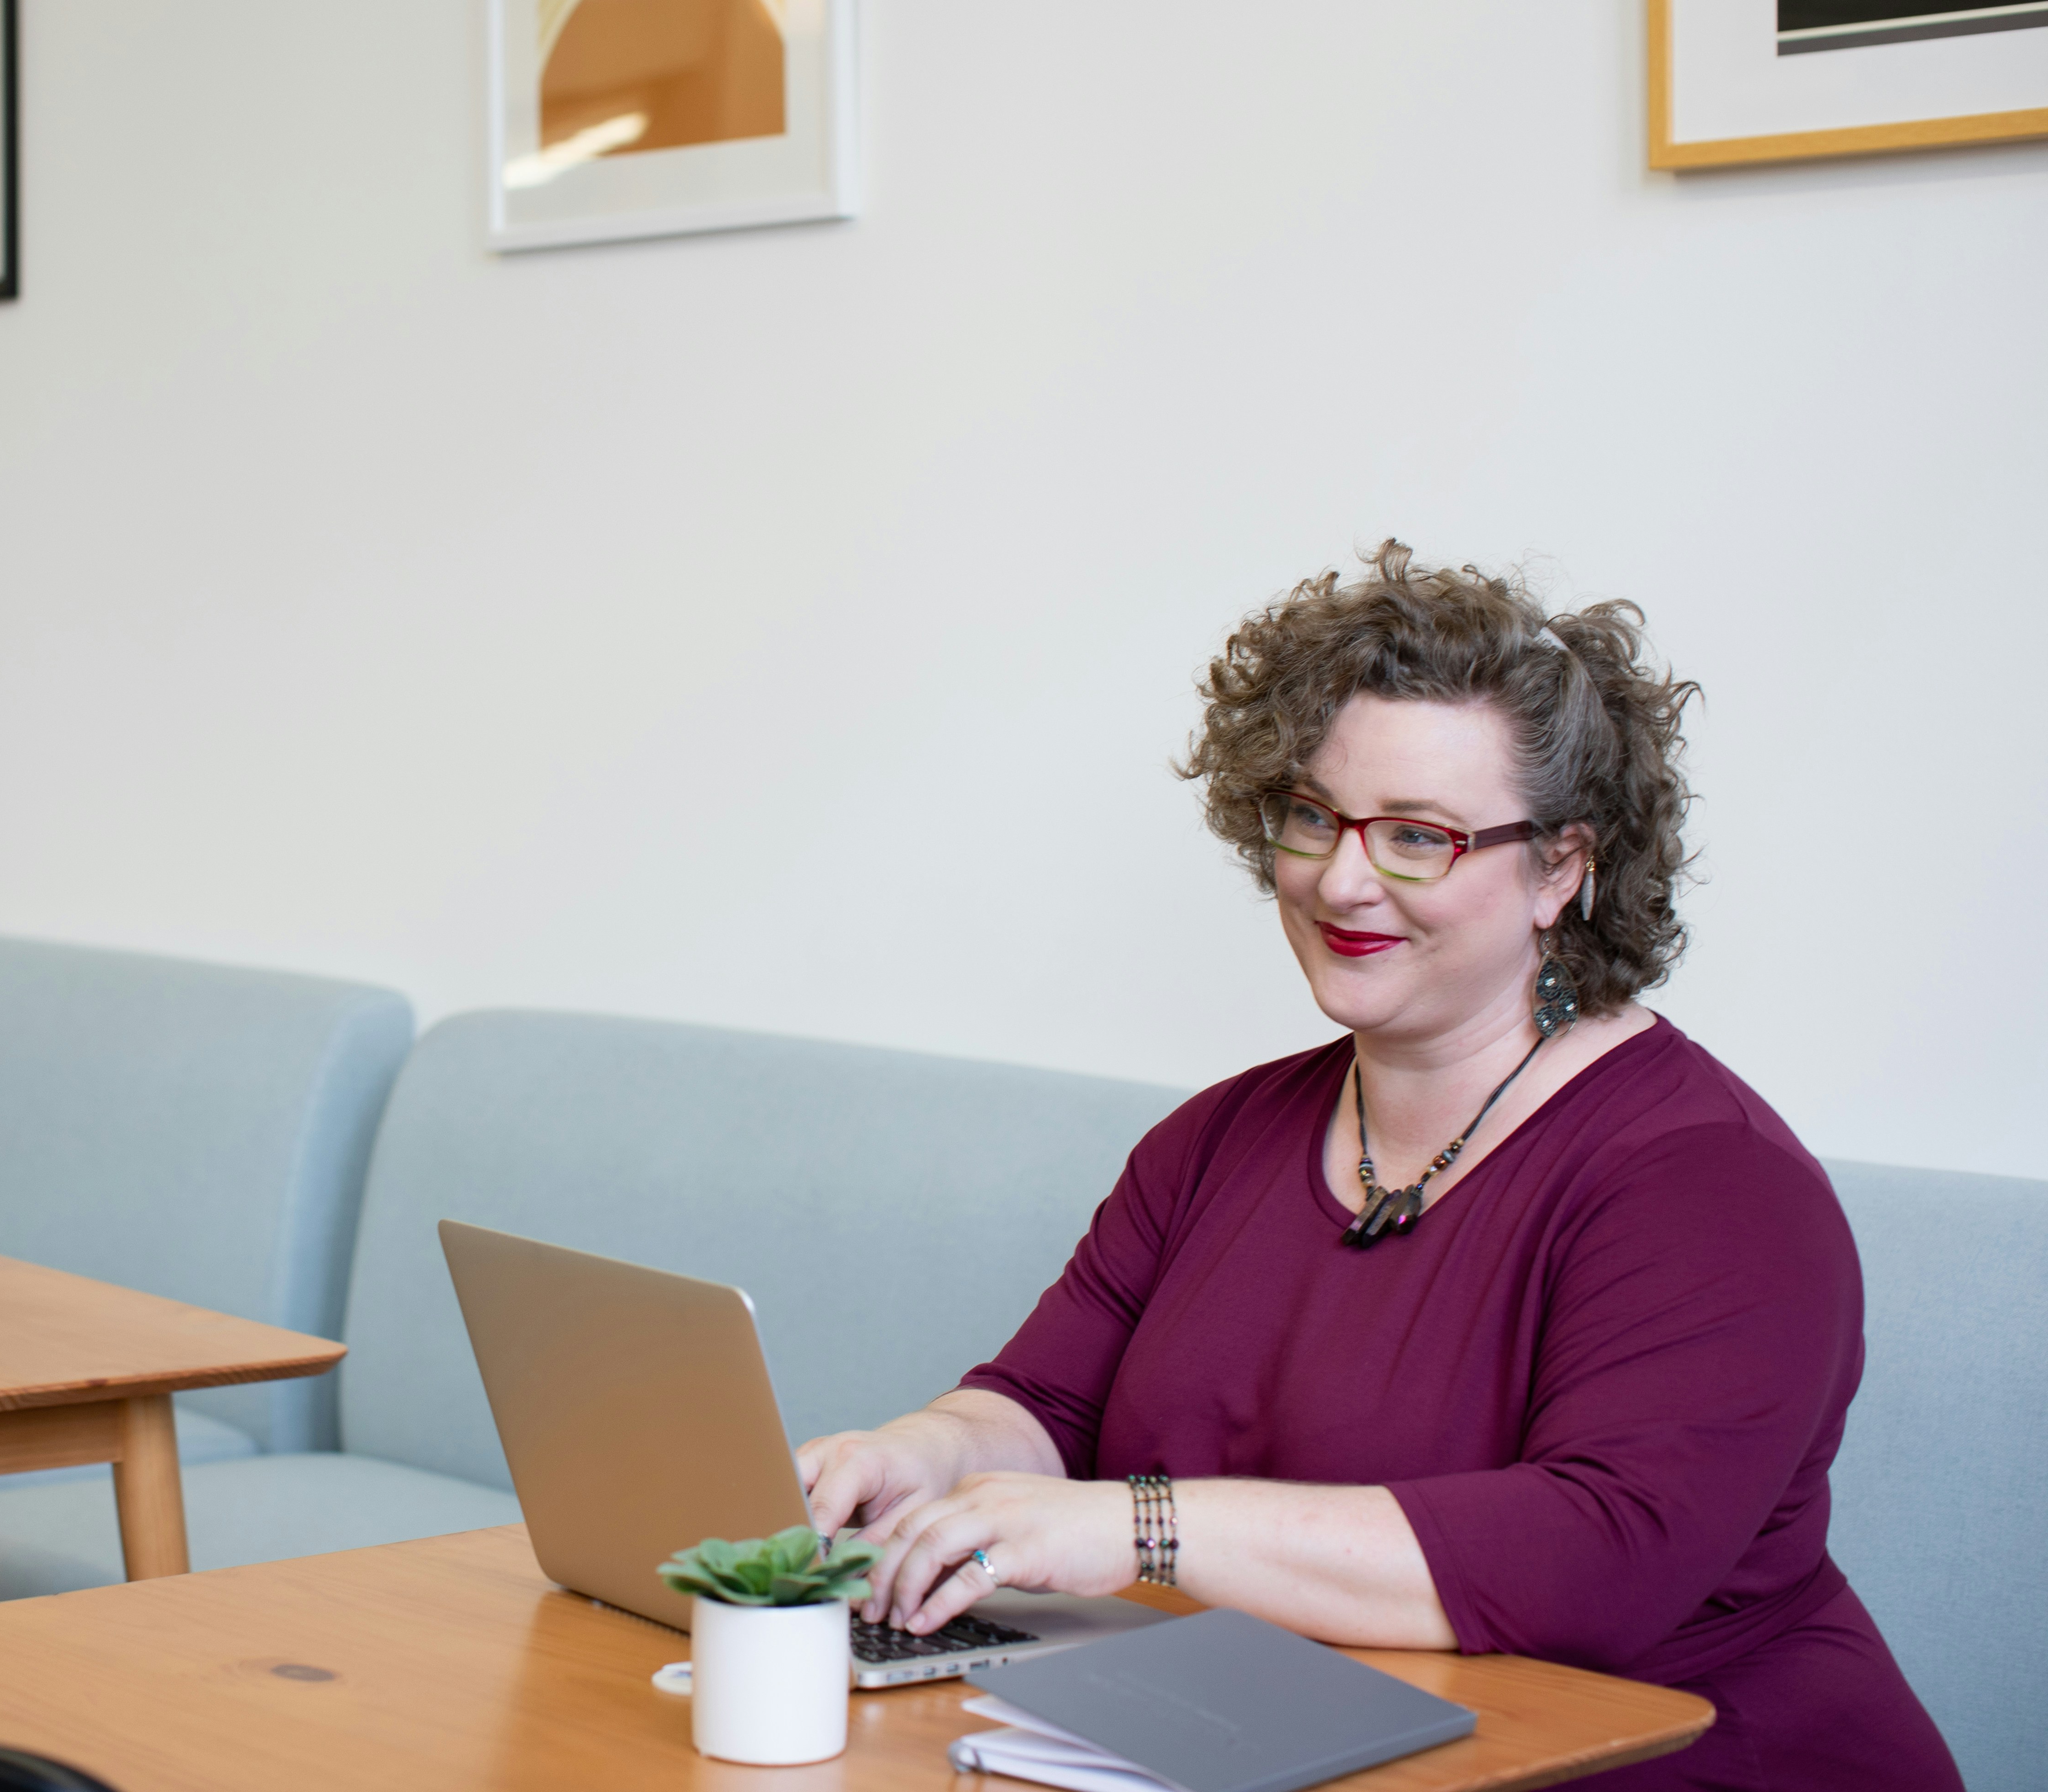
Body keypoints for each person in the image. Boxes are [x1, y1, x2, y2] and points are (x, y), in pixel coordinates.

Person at [797, 544, 1958, 1791]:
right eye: (1314, 815)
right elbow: (1046, 1407)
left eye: (1420, 837)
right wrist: (925, 1452)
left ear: (1561, 869)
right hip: (1304, 1746)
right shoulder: (1217, 1140)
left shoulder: (1711, 1184)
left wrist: (1135, 1530)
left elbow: (1599, 1557)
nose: (1343, 879)